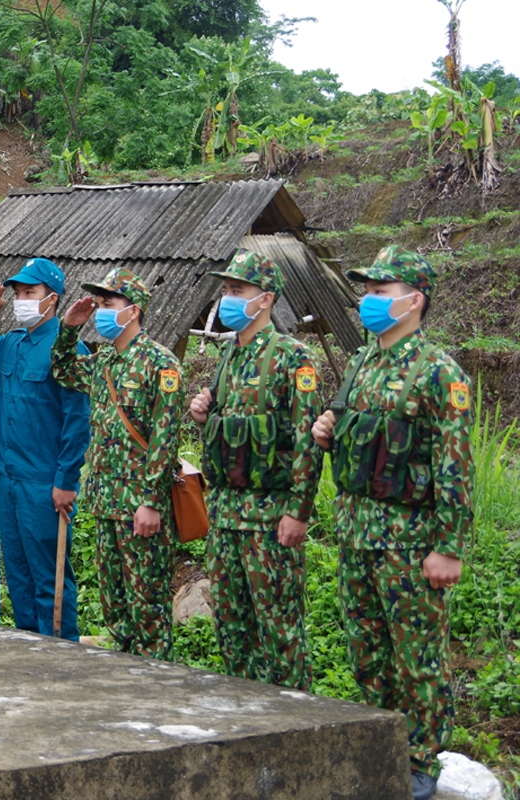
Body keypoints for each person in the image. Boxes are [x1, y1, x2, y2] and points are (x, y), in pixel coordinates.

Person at [311, 245, 473, 800]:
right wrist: (328, 429)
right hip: (357, 534)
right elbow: (349, 430)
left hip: (411, 542)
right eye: (368, 291)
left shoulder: (438, 371)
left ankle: (421, 762)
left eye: (380, 292)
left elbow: (455, 463)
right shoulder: (361, 362)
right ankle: (382, 747)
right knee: (366, 650)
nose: (368, 301)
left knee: (417, 657)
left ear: (414, 300)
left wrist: (448, 547)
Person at [187, 250, 322, 691]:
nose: (226, 298)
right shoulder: (229, 356)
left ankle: (294, 726)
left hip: (270, 518)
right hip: (226, 515)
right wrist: (205, 416)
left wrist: (298, 511)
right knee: (230, 624)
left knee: (279, 630)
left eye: (236, 291)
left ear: (264, 300)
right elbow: (229, 431)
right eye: (225, 290)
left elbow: (307, 440)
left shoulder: (291, 358)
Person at [0, 257, 90, 640]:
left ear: (53, 299)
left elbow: (77, 422)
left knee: (50, 577)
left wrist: (65, 479)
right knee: (18, 576)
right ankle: (29, 651)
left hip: (44, 483)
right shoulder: (8, 345)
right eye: (17, 293)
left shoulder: (68, 351)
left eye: (30, 293)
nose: (20, 300)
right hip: (9, 481)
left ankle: (61, 654)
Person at [50, 268, 182, 659]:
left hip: (140, 505)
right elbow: (62, 370)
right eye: (100, 303)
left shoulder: (161, 364)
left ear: (134, 310)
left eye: (109, 303)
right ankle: (124, 677)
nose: (101, 310)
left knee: (147, 605)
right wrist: (69, 329)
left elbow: (165, 438)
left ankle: (156, 679)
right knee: (114, 602)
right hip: (106, 501)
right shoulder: (104, 360)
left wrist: (151, 502)